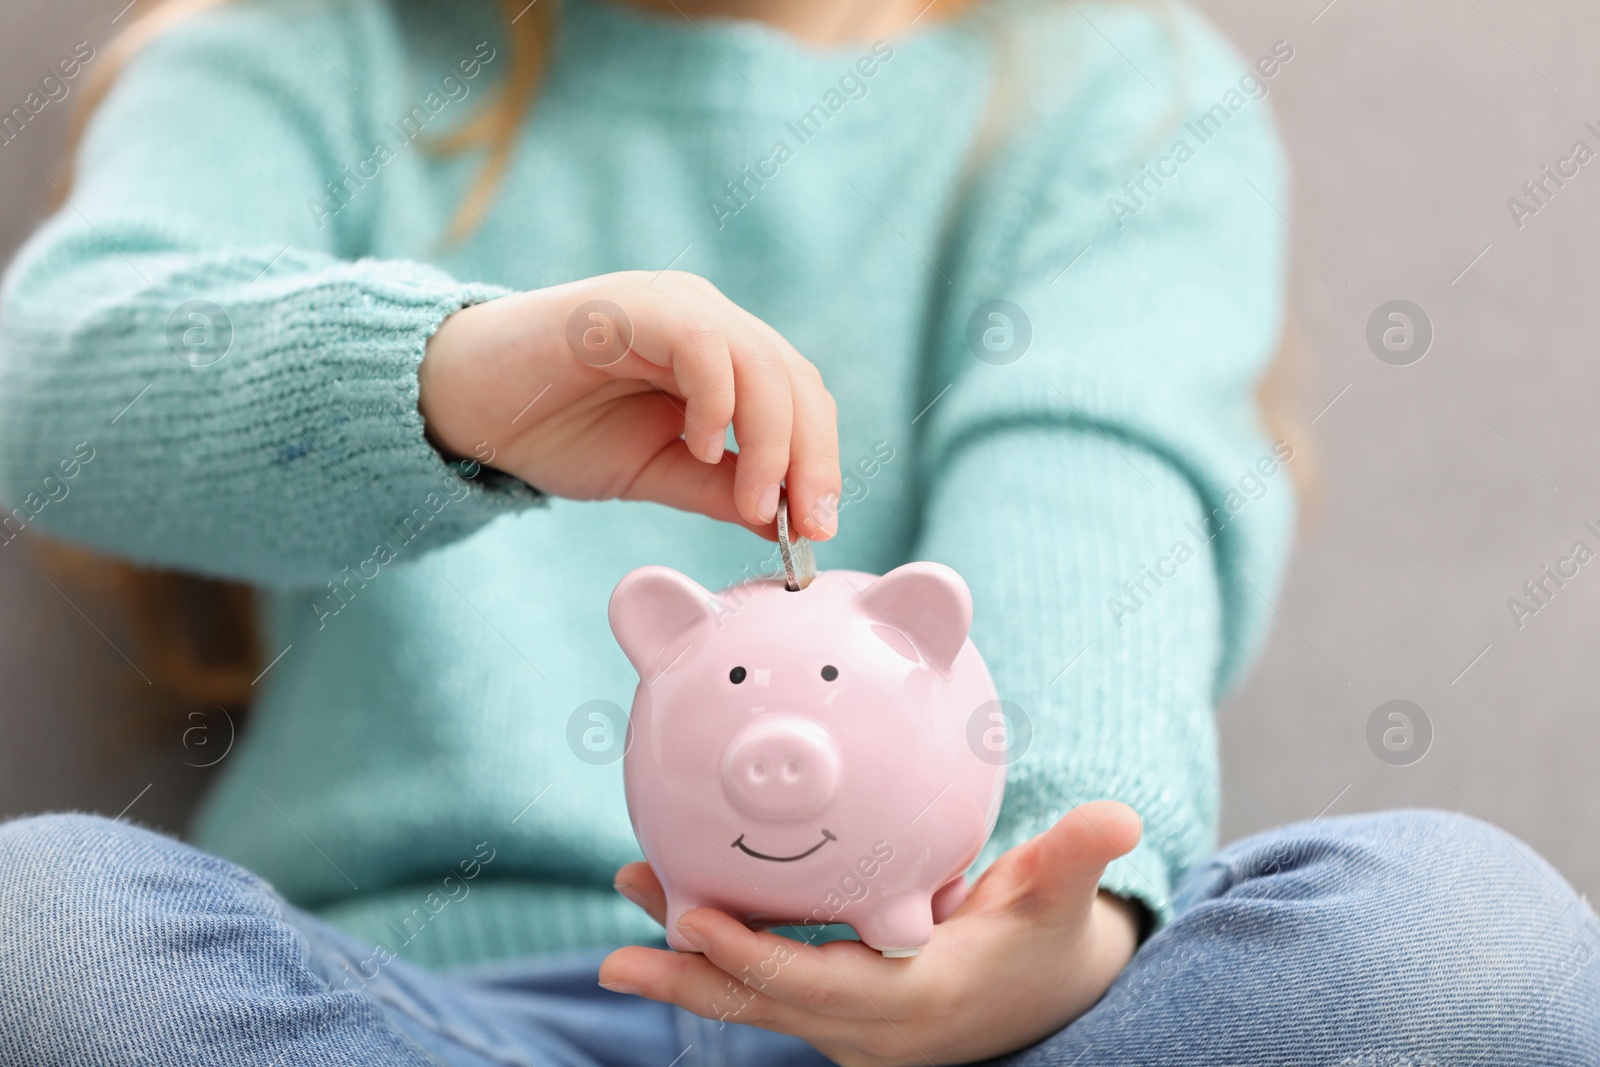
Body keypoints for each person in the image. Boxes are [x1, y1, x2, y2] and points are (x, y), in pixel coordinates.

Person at [0, 0, 1594, 1063]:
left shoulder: (1117, 84)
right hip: (424, 1012)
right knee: (43, 940)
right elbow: (53, 396)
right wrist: (449, 379)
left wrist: (1064, 908)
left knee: (1463, 950)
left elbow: (1099, 488)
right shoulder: (300, 40)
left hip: (989, 1021)